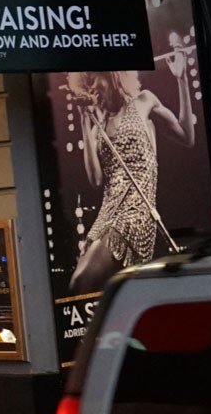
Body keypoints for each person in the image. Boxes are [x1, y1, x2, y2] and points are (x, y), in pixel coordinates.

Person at [68, 65, 198, 295]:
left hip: (135, 211)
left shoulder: (143, 101)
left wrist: (182, 80)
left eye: (97, 84)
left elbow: (187, 137)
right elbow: (96, 180)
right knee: (81, 285)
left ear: (113, 78)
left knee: (83, 281)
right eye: (88, 88)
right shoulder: (99, 129)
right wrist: (83, 122)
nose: (94, 92)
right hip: (106, 214)